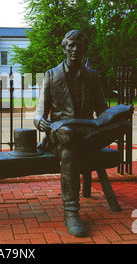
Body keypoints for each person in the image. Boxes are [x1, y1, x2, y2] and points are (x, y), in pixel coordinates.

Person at [34, 30, 131, 237]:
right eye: (71, 45)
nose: (75, 50)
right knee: (69, 147)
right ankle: (71, 212)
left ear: (85, 49)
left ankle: (86, 137)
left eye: (80, 46)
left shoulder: (92, 76)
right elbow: (39, 114)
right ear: (64, 48)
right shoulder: (51, 76)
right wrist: (42, 123)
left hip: (87, 132)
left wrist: (115, 114)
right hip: (61, 134)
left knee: (123, 124)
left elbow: (102, 109)